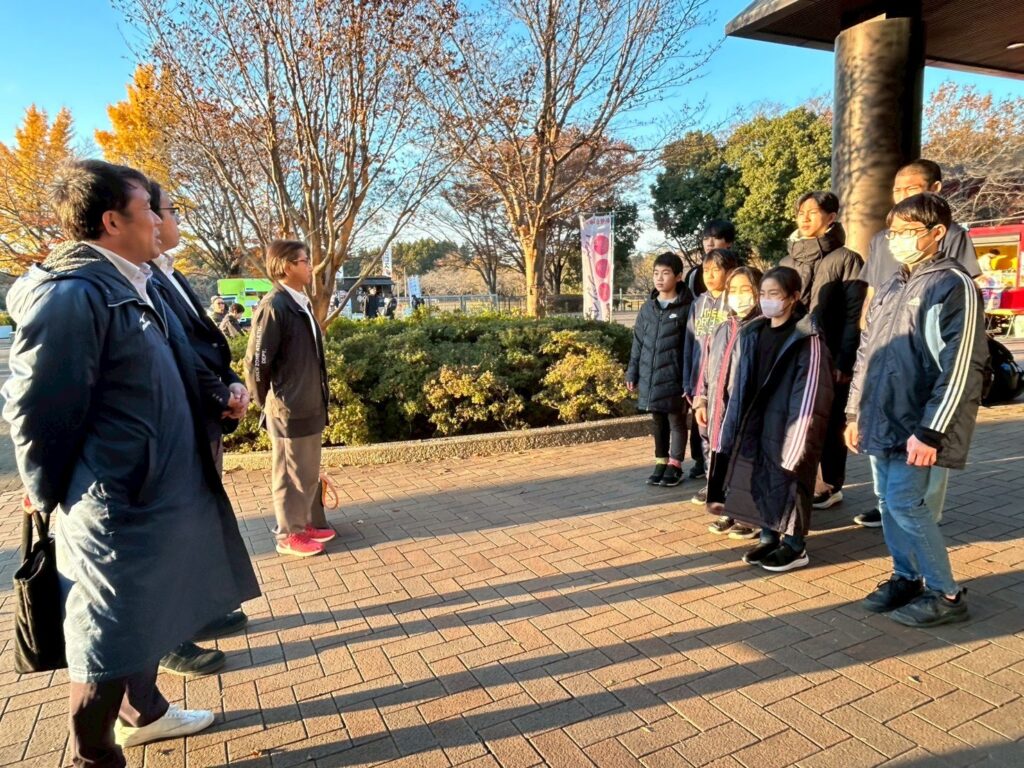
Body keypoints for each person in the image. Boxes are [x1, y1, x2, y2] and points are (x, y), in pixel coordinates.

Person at [1, 159, 260, 767]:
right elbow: (38, 411)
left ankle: (145, 715)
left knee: (138, 620)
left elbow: (176, 367)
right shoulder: (71, 295)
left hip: (150, 488)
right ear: (113, 221)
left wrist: (218, 398)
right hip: (114, 500)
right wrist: (46, 492)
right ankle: (93, 756)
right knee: (107, 639)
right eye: (148, 209)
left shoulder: (132, 281)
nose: (159, 221)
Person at [846, 192, 986, 627]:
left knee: (907, 503)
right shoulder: (892, 284)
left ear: (937, 232)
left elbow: (962, 364)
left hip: (920, 420)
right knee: (888, 503)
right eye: (893, 232)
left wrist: (931, 430)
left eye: (908, 232)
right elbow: (867, 353)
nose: (897, 240)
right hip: (882, 414)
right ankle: (906, 577)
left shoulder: (954, 284)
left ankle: (946, 594)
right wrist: (854, 413)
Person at [147, 182, 252, 677]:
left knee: (199, 518)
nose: (173, 219)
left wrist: (231, 381)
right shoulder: (137, 280)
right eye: (169, 210)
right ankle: (168, 635)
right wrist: (219, 393)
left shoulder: (172, 273)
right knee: (173, 528)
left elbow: (205, 344)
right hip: (177, 421)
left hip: (202, 414)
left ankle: (201, 608)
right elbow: (178, 353)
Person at [853, 159, 982, 529]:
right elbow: (874, 290)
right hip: (886, 351)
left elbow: (965, 295)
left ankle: (925, 513)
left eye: (911, 187)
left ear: (935, 188)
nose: (902, 194)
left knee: (923, 455)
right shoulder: (883, 239)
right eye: (898, 189)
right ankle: (890, 506)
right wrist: (868, 328)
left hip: (923, 363)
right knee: (884, 453)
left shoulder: (951, 235)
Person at [716, 266, 834, 571]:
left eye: (775, 294)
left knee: (792, 482)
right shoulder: (754, 332)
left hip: (790, 424)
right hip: (757, 419)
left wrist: (798, 439)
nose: (767, 300)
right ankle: (768, 537)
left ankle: (795, 546)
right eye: (764, 294)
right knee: (761, 478)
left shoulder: (807, 338)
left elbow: (810, 394)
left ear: (793, 297)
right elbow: (741, 382)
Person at [245, 239, 335, 557]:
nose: (310, 266)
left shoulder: (299, 302)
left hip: (310, 404)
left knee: (307, 473)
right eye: (304, 261)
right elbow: (257, 363)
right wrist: (267, 402)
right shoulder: (274, 306)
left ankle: (303, 523)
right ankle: (288, 535)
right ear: (286, 266)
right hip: (288, 408)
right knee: (288, 474)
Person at [780, 191, 865, 512]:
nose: (804, 218)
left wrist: (844, 360)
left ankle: (831, 484)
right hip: (793, 356)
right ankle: (803, 478)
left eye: (812, 212)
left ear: (831, 217)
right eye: (800, 212)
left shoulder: (846, 259)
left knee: (830, 422)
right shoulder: (787, 261)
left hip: (830, 356)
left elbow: (854, 316)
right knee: (797, 419)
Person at [693, 265, 763, 540]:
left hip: (748, 410)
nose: (738, 295)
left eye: (746, 289)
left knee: (747, 461)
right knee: (722, 458)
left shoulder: (763, 329)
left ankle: (750, 515)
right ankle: (729, 508)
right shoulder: (722, 328)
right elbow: (705, 368)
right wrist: (701, 400)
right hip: (718, 409)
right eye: (733, 290)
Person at [626, 252, 694, 487]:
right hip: (650, 375)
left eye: (665, 273)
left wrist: (689, 380)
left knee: (676, 420)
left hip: (675, 376)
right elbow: (637, 343)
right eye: (656, 273)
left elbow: (691, 347)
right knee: (657, 419)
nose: (659, 278)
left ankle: (675, 464)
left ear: (678, 276)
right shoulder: (648, 308)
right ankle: (661, 461)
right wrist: (632, 372)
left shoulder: (688, 308)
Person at [683, 247, 740, 502]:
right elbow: (690, 344)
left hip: (724, 385)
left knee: (724, 437)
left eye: (716, 270)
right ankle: (711, 483)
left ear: (730, 272)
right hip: (700, 384)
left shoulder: (735, 303)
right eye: (706, 270)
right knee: (704, 435)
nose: (710, 275)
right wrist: (688, 382)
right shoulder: (699, 303)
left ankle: (729, 486)